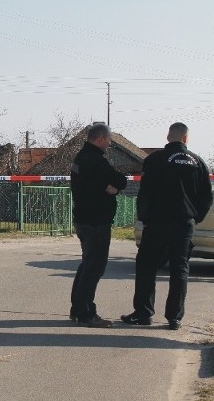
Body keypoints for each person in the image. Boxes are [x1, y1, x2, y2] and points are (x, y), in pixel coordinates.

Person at [121, 122, 212, 330]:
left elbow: (145, 193)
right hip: (184, 223)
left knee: (146, 266)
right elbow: (206, 197)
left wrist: (144, 218)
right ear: (186, 139)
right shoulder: (198, 163)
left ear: (168, 136)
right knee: (179, 268)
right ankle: (175, 317)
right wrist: (195, 217)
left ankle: (144, 312)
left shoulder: (155, 160)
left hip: (157, 222)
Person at [70, 123, 127, 328]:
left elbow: (110, 183)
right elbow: (120, 180)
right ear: (101, 138)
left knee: (87, 265)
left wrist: (110, 187)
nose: (110, 144)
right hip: (96, 222)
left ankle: (77, 309)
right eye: (109, 140)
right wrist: (111, 187)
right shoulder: (96, 160)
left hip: (83, 219)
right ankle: (86, 312)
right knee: (94, 268)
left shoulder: (79, 158)